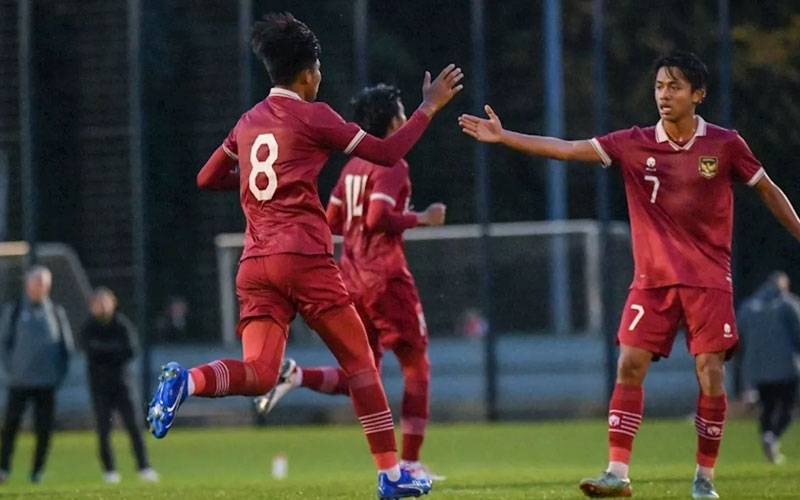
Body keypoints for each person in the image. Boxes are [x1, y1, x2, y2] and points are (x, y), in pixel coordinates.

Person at [146, 12, 462, 499]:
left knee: (259, 374)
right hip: (303, 257)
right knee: (361, 362)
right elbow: (386, 151)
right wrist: (428, 108)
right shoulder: (316, 116)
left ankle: (187, 381)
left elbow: (206, 179)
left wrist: (255, 185)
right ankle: (393, 473)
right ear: (310, 73)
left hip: (255, 264)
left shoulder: (247, 122)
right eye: (319, 70)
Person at [458, 51, 800, 499]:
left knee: (710, 374)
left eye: (675, 87)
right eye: (659, 86)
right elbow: (567, 149)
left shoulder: (725, 144)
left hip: (708, 280)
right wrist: (506, 138)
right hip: (652, 282)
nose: (664, 95)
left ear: (698, 95)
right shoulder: (633, 142)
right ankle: (617, 473)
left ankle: (705, 479)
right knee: (629, 364)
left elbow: (768, 190)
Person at [254, 84, 446, 481]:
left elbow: (333, 221)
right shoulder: (393, 165)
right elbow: (377, 218)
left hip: (352, 280)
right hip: (386, 278)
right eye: (402, 111)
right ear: (394, 120)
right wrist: (422, 218)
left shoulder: (353, 166)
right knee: (417, 368)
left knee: (363, 372)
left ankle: (296, 375)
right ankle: (409, 462)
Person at [0, 266, 74, 484]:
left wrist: (59, 375)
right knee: (11, 426)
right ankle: (3, 468)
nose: (38, 287)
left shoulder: (56, 312)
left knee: (44, 429)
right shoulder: (14, 311)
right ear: (27, 285)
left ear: (48, 286)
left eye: (42, 283)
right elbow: (4, 344)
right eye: (35, 282)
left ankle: (37, 471)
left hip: (47, 383)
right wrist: (11, 371)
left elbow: (66, 347)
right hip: (19, 382)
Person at [80, 287, 158, 483]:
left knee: (135, 427)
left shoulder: (122, 325)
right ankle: (109, 470)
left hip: (123, 385)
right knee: (104, 430)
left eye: (105, 302)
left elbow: (130, 350)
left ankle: (144, 467)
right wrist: (112, 351)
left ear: (113, 303)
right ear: (92, 307)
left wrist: (105, 352)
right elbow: (91, 352)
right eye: (98, 304)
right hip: (100, 387)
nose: (103, 307)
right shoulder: (88, 328)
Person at [737, 272, 800, 464]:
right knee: (788, 407)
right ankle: (772, 436)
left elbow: (739, 336)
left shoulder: (747, 307)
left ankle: (768, 436)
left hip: (759, 370)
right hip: (786, 367)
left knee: (767, 407)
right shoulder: (788, 305)